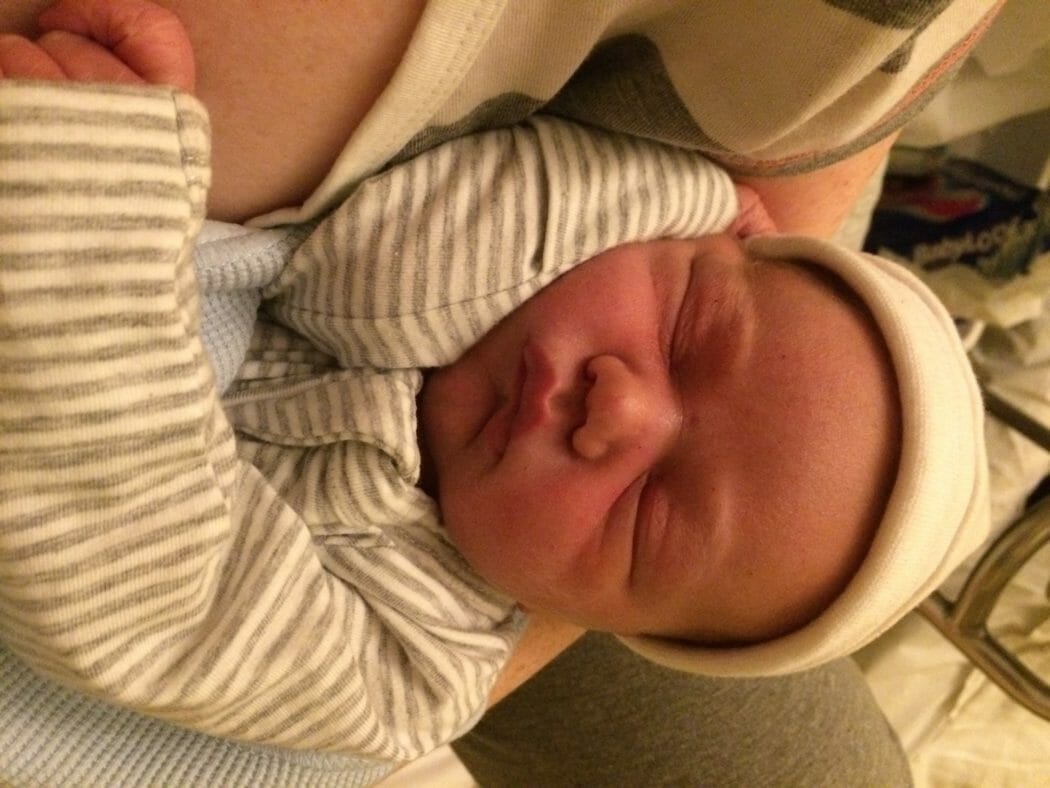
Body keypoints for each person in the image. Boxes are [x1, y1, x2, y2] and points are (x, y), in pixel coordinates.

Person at [0, 0, 1003, 785]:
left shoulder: (410, 660)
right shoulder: (590, 219)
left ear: (590, 623)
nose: (618, 409)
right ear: (719, 231)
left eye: (648, 511)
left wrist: (91, 204)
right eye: (687, 333)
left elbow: (151, 587)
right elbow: (378, 243)